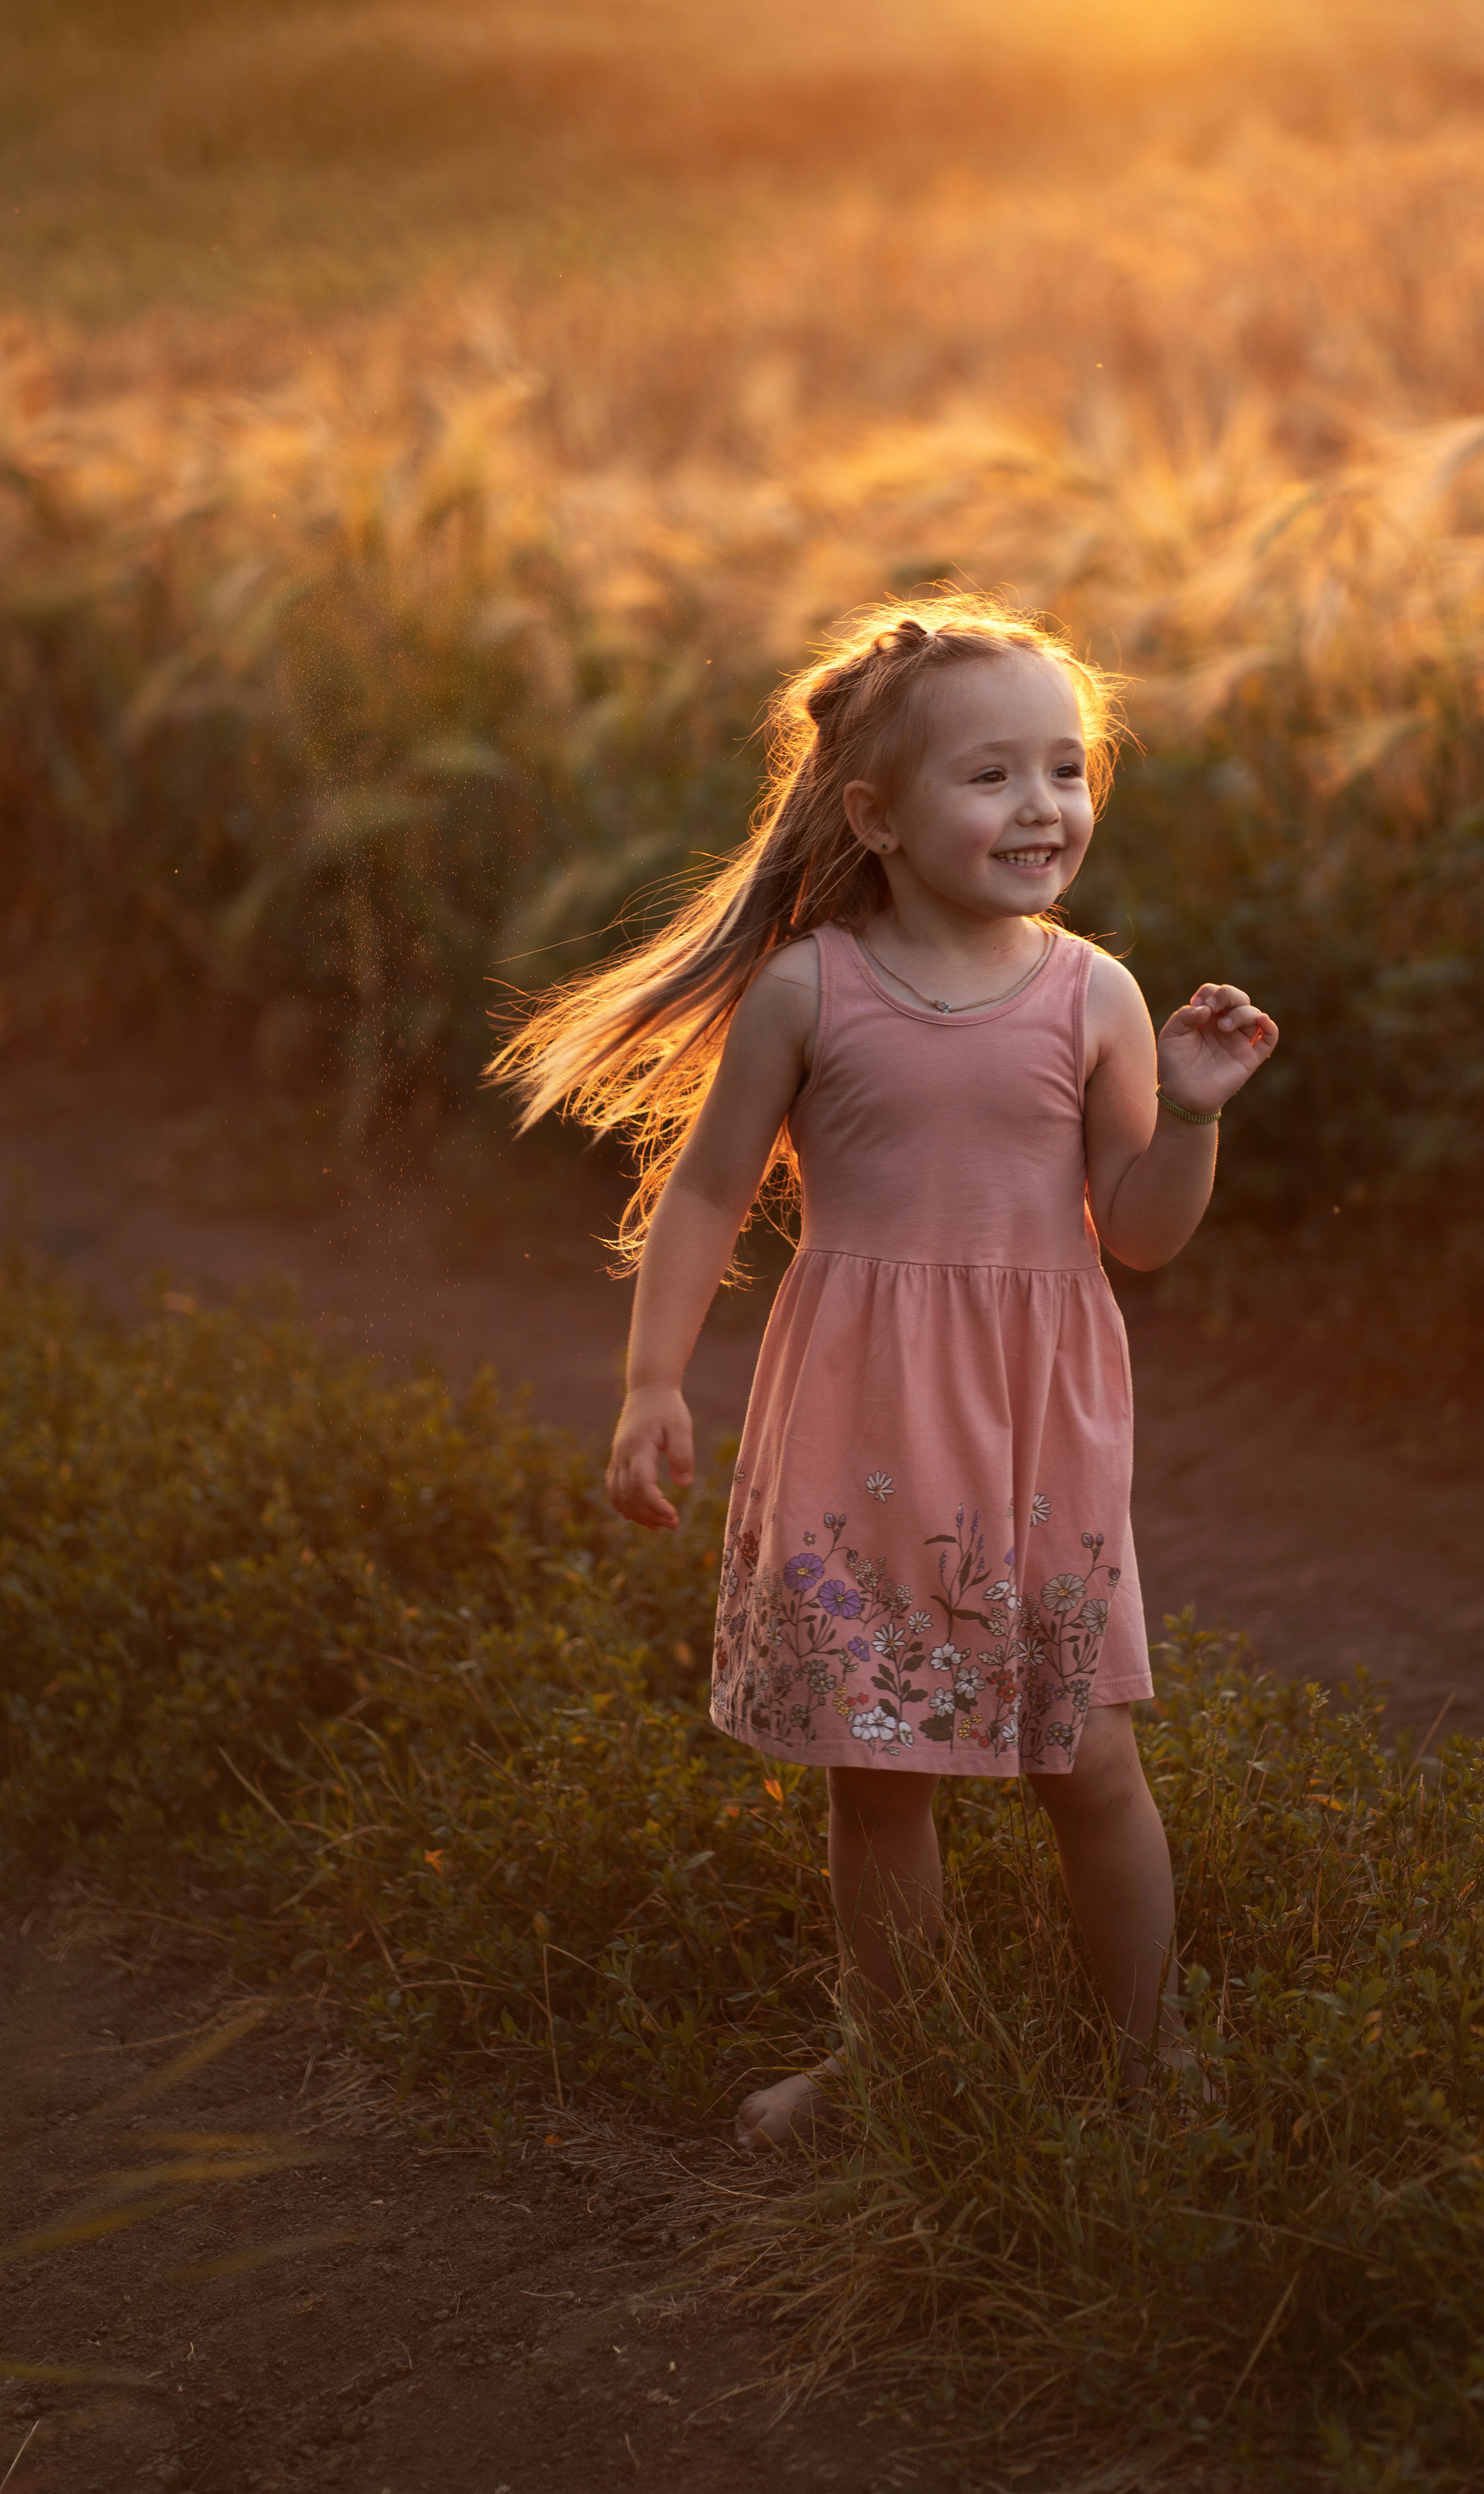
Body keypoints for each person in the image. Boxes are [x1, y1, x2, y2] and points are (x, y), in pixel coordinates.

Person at [491, 603, 1278, 2149]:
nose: (1040, 805)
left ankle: (1149, 2061)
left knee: (1085, 1753)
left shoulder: (1093, 996)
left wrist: (1188, 1116)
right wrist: (653, 1383)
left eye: (1064, 768)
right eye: (989, 775)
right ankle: (900, 2065)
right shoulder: (811, 990)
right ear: (876, 816)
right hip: (856, 1411)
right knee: (875, 1764)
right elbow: (709, 1191)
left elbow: (1136, 1239)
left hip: (1029, 1423)